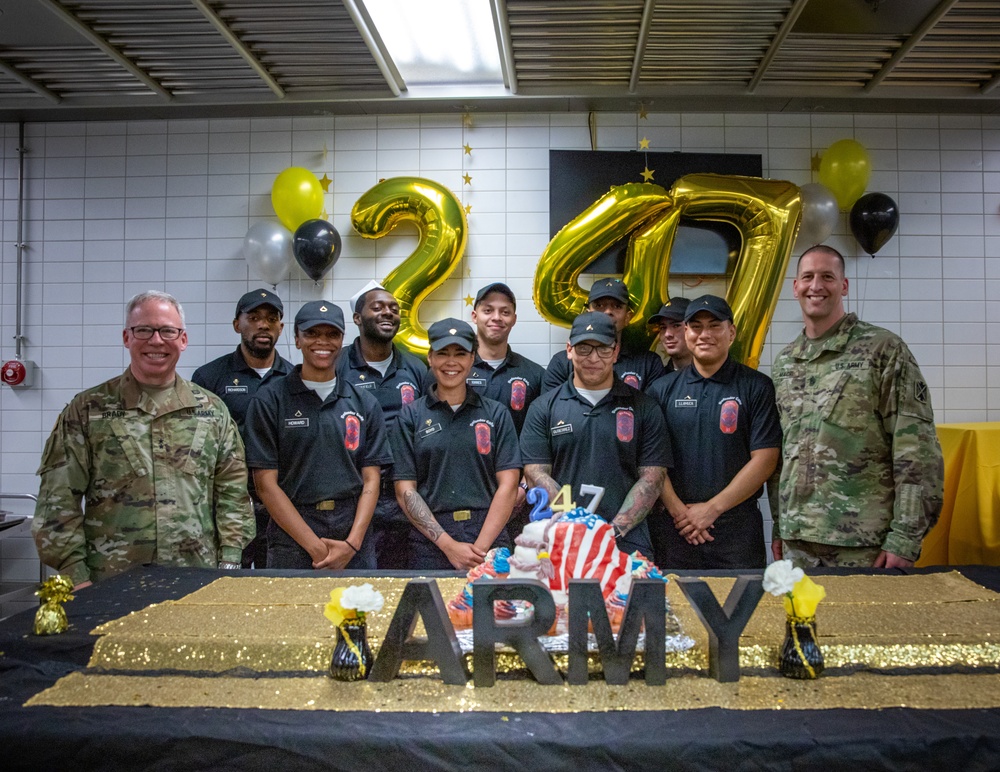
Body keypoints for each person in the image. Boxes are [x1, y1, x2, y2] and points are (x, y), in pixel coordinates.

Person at [33, 291, 253, 588]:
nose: (156, 340)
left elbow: (232, 492)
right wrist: (77, 577)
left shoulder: (211, 410)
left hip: (195, 577)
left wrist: (230, 561)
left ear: (183, 340)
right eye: (144, 330)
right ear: (127, 337)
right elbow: (57, 500)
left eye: (167, 331)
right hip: (109, 581)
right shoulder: (88, 410)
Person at [771, 244, 944, 568]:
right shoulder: (785, 361)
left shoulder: (883, 350)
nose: (816, 286)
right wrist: (781, 527)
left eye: (827, 277)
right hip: (799, 543)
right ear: (795, 288)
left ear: (844, 285)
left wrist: (905, 537)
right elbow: (784, 452)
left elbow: (916, 449)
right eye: (807, 277)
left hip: (864, 544)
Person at [245, 301, 391, 570]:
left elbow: (371, 478)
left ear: (342, 340)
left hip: (353, 533)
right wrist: (315, 547)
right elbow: (265, 485)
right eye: (312, 333)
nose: (322, 342)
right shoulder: (270, 400)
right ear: (297, 339)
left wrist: (352, 543)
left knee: (359, 613)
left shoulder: (364, 402)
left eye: (332, 334)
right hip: (293, 536)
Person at [647, 295, 781, 569]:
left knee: (744, 610)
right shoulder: (661, 390)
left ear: (731, 332)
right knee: (674, 610)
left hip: (736, 531)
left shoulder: (756, 386)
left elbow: (765, 458)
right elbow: (651, 460)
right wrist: (679, 513)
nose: (704, 334)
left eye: (714, 326)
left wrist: (712, 509)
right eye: (696, 326)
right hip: (675, 529)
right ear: (687, 332)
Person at [521, 312, 669, 558]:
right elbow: (536, 472)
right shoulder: (543, 407)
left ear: (615, 352)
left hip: (628, 542)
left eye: (602, 349)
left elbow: (653, 479)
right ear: (569, 350)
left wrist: (611, 533)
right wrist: (575, 525)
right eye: (583, 349)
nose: (593, 358)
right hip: (560, 539)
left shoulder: (645, 407)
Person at [391, 318, 521, 570]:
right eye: (442, 353)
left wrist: (479, 550)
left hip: (489, 536)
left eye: (460, 353)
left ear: (472, 358)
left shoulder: (496, 413)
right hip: (431, 543)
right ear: (430, 358)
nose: (451, 362)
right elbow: (405, 490)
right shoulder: (411, 415)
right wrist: (448, 546)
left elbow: (509, 484)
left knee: (495, 611)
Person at [192, 288, 292, 569]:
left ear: (281, 328)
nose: (263, 325)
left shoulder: (294, 378)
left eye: (272, 319)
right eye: (254, 317)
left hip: (280, 505)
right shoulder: (209, 377)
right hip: (226, 505)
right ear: (237, 324)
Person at [336, 283, 427, 569]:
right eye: (377, 307)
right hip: (354, 498)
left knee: (401, 584)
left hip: (404, 495)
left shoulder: (416, 368)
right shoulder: (337, 367)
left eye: (393, 308)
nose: (387, 312)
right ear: (357, 318)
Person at [541, 278, 665, 393]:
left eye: (617, 306)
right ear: (587, 313)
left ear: (628, 317)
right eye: (599, 306)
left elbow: (650, 412)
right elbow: (549, 409)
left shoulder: (649, 364)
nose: (608, 312)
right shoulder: (562, 363)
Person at [467, 282, 545, 435]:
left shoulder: (535, 375)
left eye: (505, 312)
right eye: (488, 310)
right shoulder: (456, 371)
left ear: (514, 319)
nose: (496, 318)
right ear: (475, 316)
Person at [648, 297, 692, 373]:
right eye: (663, 327)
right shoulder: (659, 380)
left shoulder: (713, 375)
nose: (667, 334)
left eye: (676, 326)